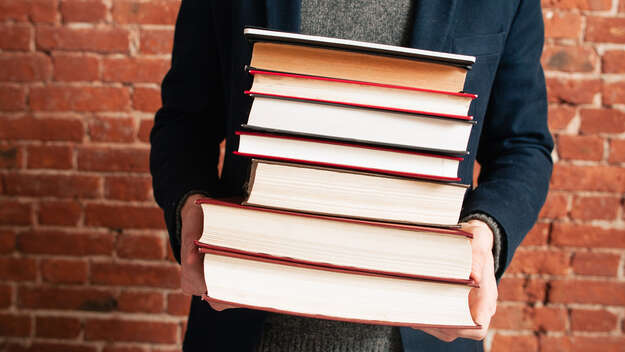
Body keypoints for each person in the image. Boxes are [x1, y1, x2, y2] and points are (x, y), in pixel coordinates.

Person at [150, 1, 553, 351]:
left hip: (423, 333)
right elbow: (185, 122)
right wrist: (189, 206)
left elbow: (522, 145)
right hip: (244, 327)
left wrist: (485, 235)